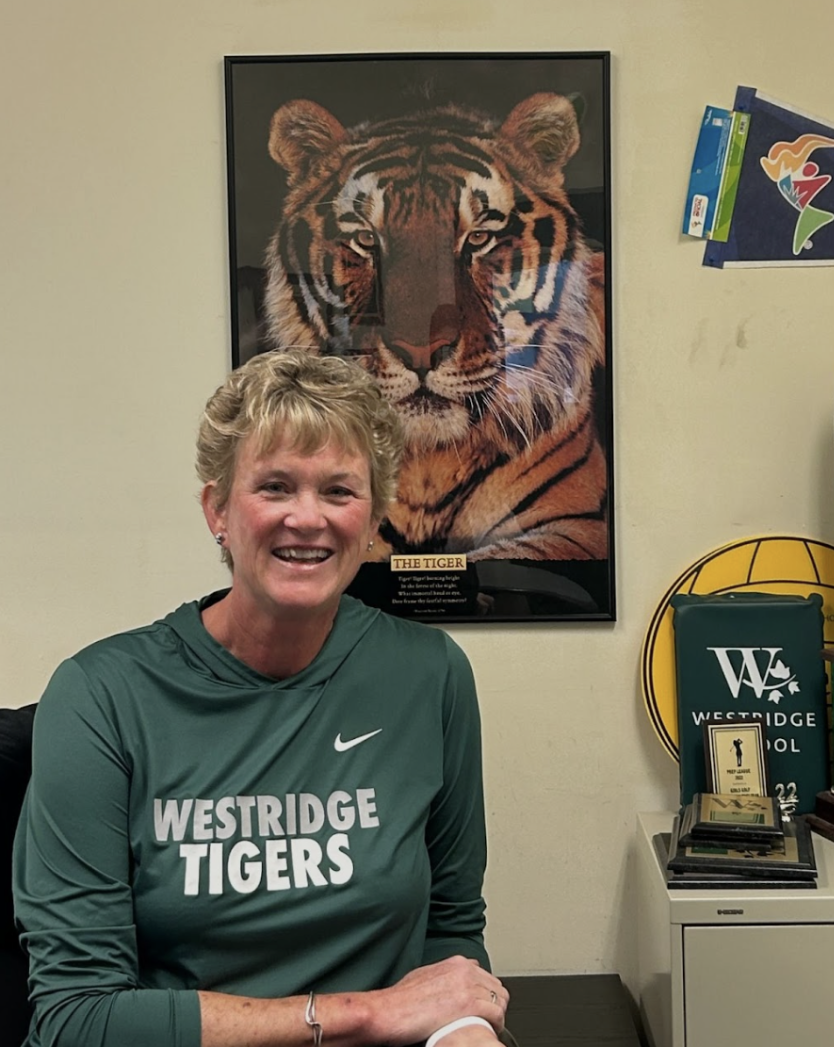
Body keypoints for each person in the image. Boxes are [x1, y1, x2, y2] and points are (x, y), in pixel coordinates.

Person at [13, 349, 509, 1047]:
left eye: (339, 491)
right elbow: (77, 1017)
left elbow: (451, 931)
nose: (307, 518)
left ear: (373, 521)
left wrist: (463, 1029)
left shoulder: (430, 675)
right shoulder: (101, 696)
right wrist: (358, 1013)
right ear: (217, 508)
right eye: (275, 486)